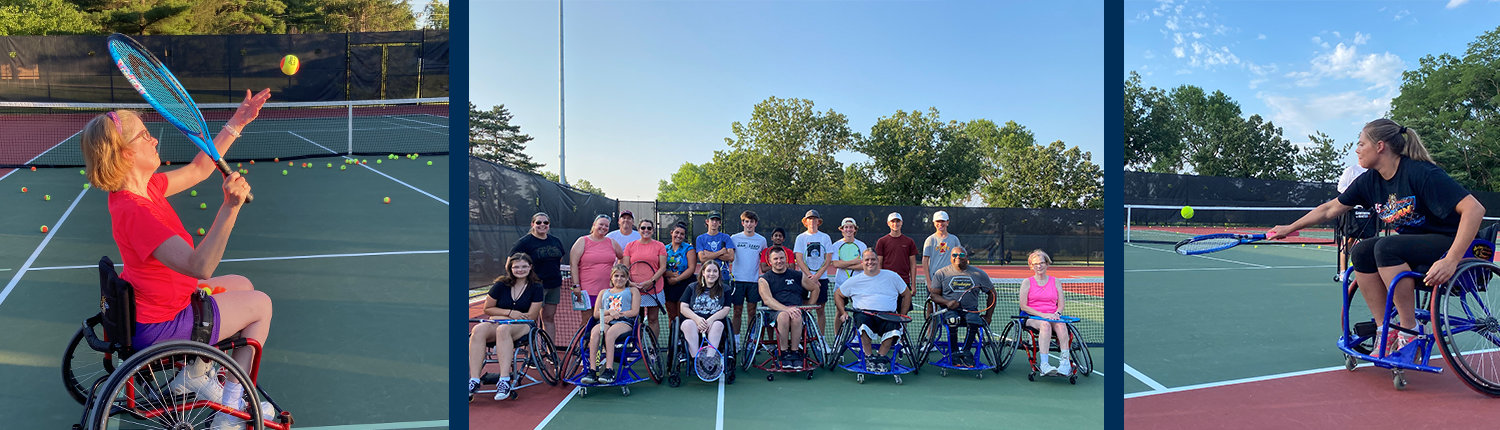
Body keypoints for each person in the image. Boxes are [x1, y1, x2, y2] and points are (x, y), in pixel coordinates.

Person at [81, 89, 274, 427]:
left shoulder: (144, 189)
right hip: (163, 325)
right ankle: (232, 409)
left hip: (161, 302)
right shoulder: (137, 211)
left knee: (242, 284)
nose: (154, 140)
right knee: (261, 305)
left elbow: (201, 168)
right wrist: (230, 208)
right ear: (126, 153)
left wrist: (238, 121)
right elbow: (201, 266)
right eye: (145, 135)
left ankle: (197, 375)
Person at [1271, 119, 1484, 357]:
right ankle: (1385, 328)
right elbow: (1330, 209)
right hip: (1413, 244)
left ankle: (1409, 328)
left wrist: (1451, 260)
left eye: (1361, 144)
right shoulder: (1369, 180)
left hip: (1449, 242)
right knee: (1361, 251)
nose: (1356, 149)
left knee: (1386, 247)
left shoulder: (1420, 172)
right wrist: (1290, 227)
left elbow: (1475, 209)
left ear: (1380, 146)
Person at [468, 253, 544, 401]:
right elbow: (488, 309)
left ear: (530, 267)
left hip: (523, 325)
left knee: (503, 329)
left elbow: (531, 316)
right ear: (510, 268)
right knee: (477, 330)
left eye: (524, 266)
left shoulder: (536, 287)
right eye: (516, 267)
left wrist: (504, 318)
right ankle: (474, 380)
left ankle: (504, 381)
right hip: (498, 322)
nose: (520, 270)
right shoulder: (501, 284)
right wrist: (509, 313)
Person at [833, 249, 910, 372]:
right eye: (867, 260)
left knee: (894, 326)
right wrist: (843, 312)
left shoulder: (892, 276)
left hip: (887, 315)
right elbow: (838, 294)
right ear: (862, 262)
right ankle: (868, 357)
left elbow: (907, 294)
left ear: (878, 261)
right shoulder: (855, 280)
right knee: (863, 324)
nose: (870, 262)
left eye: (873, 259)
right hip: (864, 314)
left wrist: (903, 315)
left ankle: (880, 358)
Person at [928, 246, 997, 368]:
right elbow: (933, 295)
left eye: (961, 255)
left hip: (971, 311)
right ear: (950, 258)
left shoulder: (978, 274)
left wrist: (988, 316)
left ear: (967, 257)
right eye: (954, 255)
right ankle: (954, 352)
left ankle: (966, 352)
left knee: (974, 320)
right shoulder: (941, 273)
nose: (958, 257)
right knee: (952, 319)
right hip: (949, 311)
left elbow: (992, 293)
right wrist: (947, 302)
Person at [758, 247, 819, 369]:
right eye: (775, 259)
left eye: (781, 258)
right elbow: (767, 300)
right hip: (775, 312)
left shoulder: (797, 275)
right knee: (784, 316)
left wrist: (809, 307)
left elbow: (815, 288)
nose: (779, 261)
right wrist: (786, 309)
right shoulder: (764, 279)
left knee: (796, 316)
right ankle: (783, 353)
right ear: (770, 261)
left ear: (786, 259)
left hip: (796, 310)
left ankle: (795, 352)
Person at [508, 212, 566, 341]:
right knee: (531, 319)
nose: (542, 225)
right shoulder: (523, 243)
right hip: (534, 287)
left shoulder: (555, 241)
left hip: (553, 285)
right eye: (538, 222)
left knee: (549, 318)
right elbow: (510, 264)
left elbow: (558, 259)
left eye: (545, 222)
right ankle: (531, 353)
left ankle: (550, 352)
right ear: (532, 224)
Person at [580, 264, 641, 385]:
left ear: (627, 278)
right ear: (611, 278)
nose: (619, 279)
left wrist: (616, 314)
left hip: (624, 321)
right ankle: (592, 370)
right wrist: (609, 312)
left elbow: (634, 311)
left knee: (610, 334)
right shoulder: (604, 292)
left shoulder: (633, 291)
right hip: (605, 320)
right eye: (616, 276)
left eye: (623, 276)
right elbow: (597, 313)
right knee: (595, 333)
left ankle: (609, 370)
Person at [1016, 249, 1071, 375]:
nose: (1039, 266)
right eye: (1035, 264)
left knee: (1062, 326)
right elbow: (1023, 306)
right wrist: (1043, 315)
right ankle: (1044, 364)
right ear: (1031, 266)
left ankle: (1065, 364)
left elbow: (1061, 304)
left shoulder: (1055, 281)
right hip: (1032, 317)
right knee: (1045, 325)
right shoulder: (1027, 282)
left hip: (1052, 316)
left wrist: (1057, 314)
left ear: (1047, 264)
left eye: (1041, 263)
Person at [571, 215, 625, 326]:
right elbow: (573, 264)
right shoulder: (582, 241)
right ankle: (584, 343)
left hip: (608, 290)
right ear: (594, 224)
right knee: (587, 321)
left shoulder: (612, 242)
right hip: (587, 290)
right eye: (601, 224)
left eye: (606, 226)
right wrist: (576, 285)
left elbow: (622, 257)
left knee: (607, 321)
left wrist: (619, 273)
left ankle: (604, 343)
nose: (603, 227)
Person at [793, 209, 835, 346]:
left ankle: (820, 340)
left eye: (814, 219)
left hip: (821, 278)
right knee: (803, 308)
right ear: (806, 222)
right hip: (804, 279)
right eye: (809, 219)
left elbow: (828, 259)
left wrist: (817, 276)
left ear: (818, 221)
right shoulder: (801, 238)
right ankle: (800, 339)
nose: (812, 221)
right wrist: (810, 276)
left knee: (820, 309)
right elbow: (799, 259)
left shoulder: (825, 237)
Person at [679, 261, 732, 365]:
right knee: (688, 324)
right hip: (693, 320)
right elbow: (683, 307)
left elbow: (726, 309)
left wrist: (709, 321)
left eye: (715, 271)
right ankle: (696, 359)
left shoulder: (725, 289)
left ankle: (709, 358)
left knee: (718, 325)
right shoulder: (692, 287)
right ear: (703, 272)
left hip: (713, 321)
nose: (711, 274)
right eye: (708, 271)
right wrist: (697, 320)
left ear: (718, 274)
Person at [623, 219, 668, 336]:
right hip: (634, 289)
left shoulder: (659, 246)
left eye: (649, 228)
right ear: (638, 230)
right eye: (643, 228)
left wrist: (650, 281)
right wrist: (631, 284)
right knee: (636, 319)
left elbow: (662, 267)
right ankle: (638, 347)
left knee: (653, 319)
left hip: (654, 288)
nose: (646, 230)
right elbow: (625, 268)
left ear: (653, 230)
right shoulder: (630, 246)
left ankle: (653, 348)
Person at [1336, 163, 1378, 283]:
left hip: (1370, 211)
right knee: (1349, 240)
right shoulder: (1351, 170)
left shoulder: (1375, 171)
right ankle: (1343, 273)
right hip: (1352, 211)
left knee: (1369, 242)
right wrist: (1355, 194)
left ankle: (1370, 272)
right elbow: (1341, 187)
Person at [827, 217, 868, 336]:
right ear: (842, 229)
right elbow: (835, 264)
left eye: (851, 227)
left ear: (855, 229)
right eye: (846, 227)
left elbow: (864, 266)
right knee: (839, 312)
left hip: (858, 284)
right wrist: (855, 261)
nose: (848, 229)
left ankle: (856, 337)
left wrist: (845, 264)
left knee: (858, 312)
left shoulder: (862, 245)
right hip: (841, 284)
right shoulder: (836, 245)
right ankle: (838, 337)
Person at [729, 211, 767, 337]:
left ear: (755, 223)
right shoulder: (734, 238)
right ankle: (736, 340)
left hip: (753, 281)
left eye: (751, 222)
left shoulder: (761, 240)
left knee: (752, 311)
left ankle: (751, 340)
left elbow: (765, 260)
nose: (749, 224)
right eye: (746, 221)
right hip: (737, 281)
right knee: (737, 311)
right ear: (742, 223)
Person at [874, 212, 918, 315]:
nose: (895, 224)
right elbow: (879, 263)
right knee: (887, 312)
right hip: (887, 283)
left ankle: (902, 331)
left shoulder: (909, 242)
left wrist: (913, 285)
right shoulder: (882, 241)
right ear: (888, 223)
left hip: (904, 282)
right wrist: (879, 281)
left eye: (897, 221)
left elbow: (913, 264)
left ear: (901, 223)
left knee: (903, 314)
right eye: (893, 221)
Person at [662, 222, 699, 329]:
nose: (679, 235)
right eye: (676, 232)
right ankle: (674, 340)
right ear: (671, 233)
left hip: (685, 284)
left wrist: (677, 279)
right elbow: (659, 267)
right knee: (672, 315)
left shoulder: (689, 249)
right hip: (669, 285)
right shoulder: (664, 248)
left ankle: (685, 339)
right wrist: (666, 273)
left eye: (682, 234)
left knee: (683, 315)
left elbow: (691, 269)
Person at [922, 210, 962, 293]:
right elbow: (925, 260)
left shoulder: (954, 239)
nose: (940, 224)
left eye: (943, 221)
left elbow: (959, 258)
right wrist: (928, 281)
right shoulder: (930, 240)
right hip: (934, 280)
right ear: (934, 223)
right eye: (938, 221)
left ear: (947, 222)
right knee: (932, 305)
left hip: (951, 279)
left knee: (950, 304)